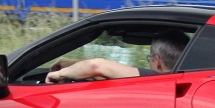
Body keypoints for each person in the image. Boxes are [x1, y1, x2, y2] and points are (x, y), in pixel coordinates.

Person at [46, 29, 188, 83]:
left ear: (158, 62)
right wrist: (69, 64)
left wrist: (60, 74)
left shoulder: (158, 81)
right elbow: (114, 72)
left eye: (149, 58)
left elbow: (96, 66)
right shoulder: (187, 78)